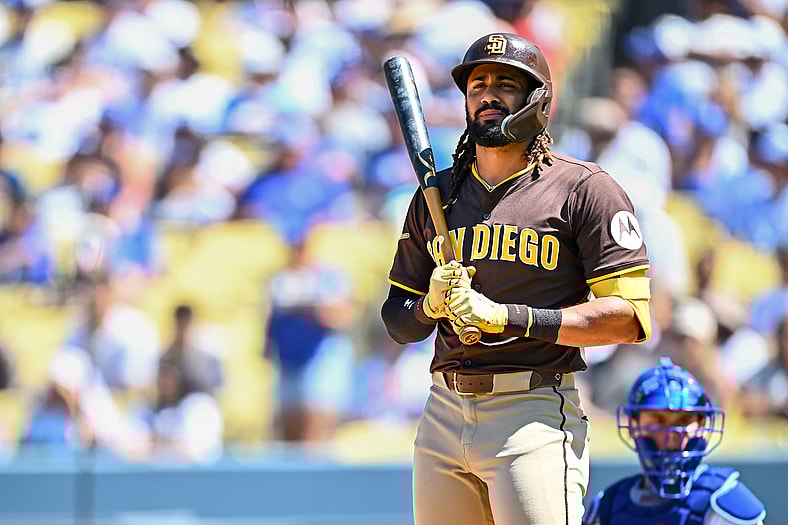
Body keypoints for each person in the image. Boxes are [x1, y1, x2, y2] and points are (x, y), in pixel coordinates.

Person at [380, 33, 653, 525]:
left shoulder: (585, 190)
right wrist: (430, 307)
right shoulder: (434, 195)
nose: (487, 94)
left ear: (539, 101)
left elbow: (627, 319)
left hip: (533, 411)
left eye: (506, 84)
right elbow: (397, 320)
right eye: (476, 84)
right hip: (443, 410)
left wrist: (506, 316)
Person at [583, 357, 766, 525]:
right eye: (658, 420)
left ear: (702, 424)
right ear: (634, 425)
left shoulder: (723, 499)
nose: (673, 434)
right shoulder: (608, 504)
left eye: (684, 420)